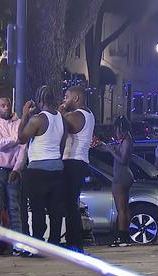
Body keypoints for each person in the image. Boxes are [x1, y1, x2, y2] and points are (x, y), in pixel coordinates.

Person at [18, 86, 67, 256]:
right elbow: (62, 144)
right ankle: (54, 242)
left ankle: (38, 244)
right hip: (57, 167)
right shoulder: (61, 119)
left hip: (38, 169)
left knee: (38, 209)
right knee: (55, 210)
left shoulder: (37, 120)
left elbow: (21, 138)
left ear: (39, 101)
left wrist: (25, 114)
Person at [0, 97, 26, 256]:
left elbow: (23, 149)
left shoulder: (19, 123)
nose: (6, 108)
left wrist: (17, 169)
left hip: (12, 170)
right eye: (3, 105)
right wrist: (16, 140)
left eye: (8, 105)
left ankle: (17, 244)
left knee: (14, 208)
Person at [60, 85, 95, 254]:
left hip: (72, 162)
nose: (64, 100)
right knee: (71, 203)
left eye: (67, 96)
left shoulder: (77, 116)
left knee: (70, 205)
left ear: (76, 98)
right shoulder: (89, 114)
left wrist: (60, 112)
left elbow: (59, 126)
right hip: (80, 162)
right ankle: (74, 242)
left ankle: (74, 243)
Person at [105, 116, 134, 247]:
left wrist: (112, 152)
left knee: (121, 209)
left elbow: (122, 160)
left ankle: (122, 237)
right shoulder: (125, 140)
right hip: (124, 176)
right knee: (125, 208)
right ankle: (125, 235)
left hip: (121, 176)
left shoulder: (127, 140)